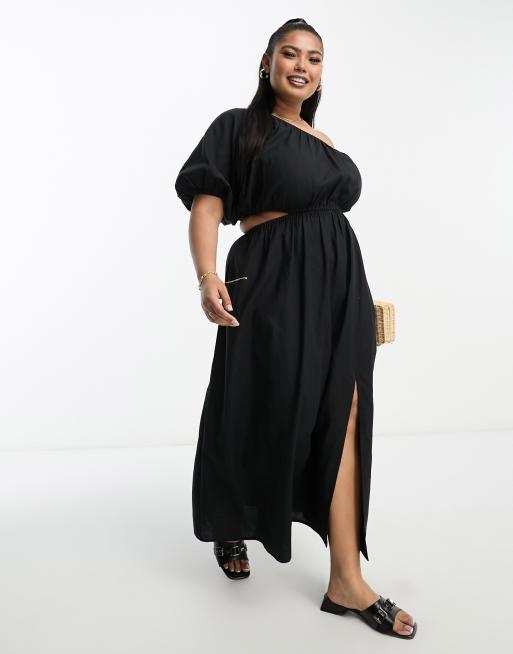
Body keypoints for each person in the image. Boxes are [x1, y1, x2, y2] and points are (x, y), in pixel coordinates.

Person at [174, 18, 417, 639]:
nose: (302, 65)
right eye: (290, 53)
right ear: (267, 62)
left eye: (314, 57)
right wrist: (206, 276)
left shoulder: (324, 141)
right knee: (259, 403)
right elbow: (208, 204)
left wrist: (356, 298)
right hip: (270, 279)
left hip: (339, 288)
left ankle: (346, 578)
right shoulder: (240, 126)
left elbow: (329, 223)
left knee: (346, 414)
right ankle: (231, 518)